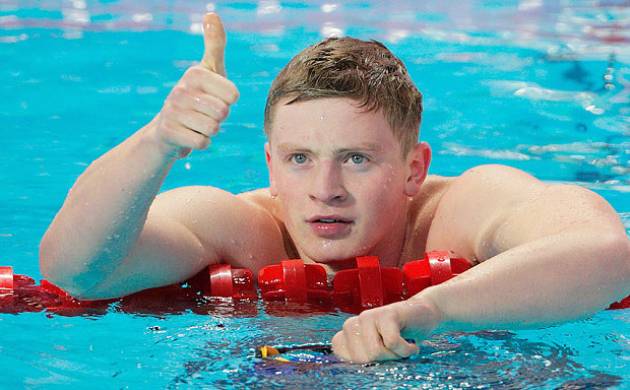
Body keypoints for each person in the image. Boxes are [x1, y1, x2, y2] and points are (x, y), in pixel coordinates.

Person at [39, 13, 630, 363]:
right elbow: (77, 273)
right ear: (270, 164)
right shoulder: (243, 228)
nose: (326, 189)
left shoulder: (461, 209)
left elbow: (605, 253)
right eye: (300, 158)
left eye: (355, 159)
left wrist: (428, 311)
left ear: (413, 171)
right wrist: (158, 142)